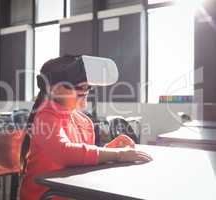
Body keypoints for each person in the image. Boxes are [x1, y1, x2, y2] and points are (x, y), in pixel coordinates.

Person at [20, 55, 152, 200]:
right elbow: (64, 152)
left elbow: (81, 160)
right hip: (44, 195)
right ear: (53, 89)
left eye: (86, 86)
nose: (85, 88)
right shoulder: (45, 117)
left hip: (69, 192)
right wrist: (118, 154)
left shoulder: (84, 122)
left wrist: (109, 149)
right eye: (76, 84)